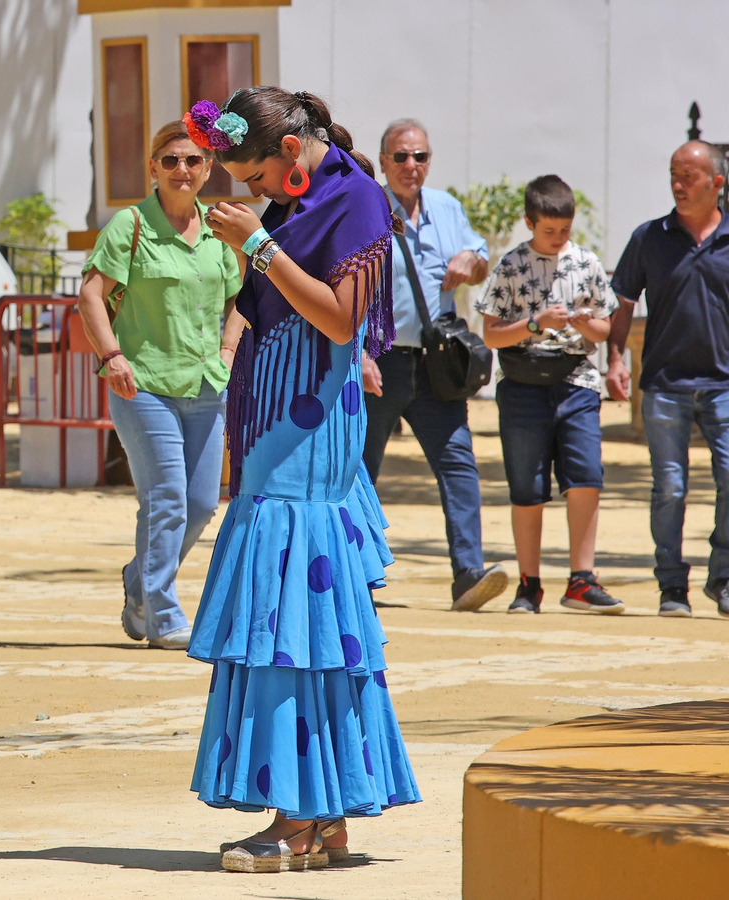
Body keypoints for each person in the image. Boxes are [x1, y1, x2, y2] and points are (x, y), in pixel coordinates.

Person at [190, 87, 421, 873]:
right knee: (287, 619)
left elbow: (337, 317)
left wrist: (258, 246)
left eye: (253, 174)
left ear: (289, 151)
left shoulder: (356, 197)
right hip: (273, 422)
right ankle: (318, 819)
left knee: (294, 618)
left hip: (309, 430)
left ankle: (299, 819)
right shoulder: (298, 201)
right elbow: (272, 307)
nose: (248, 190)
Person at [78, 120, 242, 650]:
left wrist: (228, 349)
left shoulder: (220, 229)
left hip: (206, 385)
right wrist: (112, 356)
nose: (182, 169)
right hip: (143, 384)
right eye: (170, 160)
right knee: (166, 498)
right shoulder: (130, 226)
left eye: (193, 161)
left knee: (199, 505)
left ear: (208, 168)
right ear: (153, 167)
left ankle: (138, 584)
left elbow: (243, 295)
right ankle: (164, 613)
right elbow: (90, 296)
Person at [363, 118, 507, 611]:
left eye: (420, 156)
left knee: (458, 465)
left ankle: (468, 574)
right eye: (400, 157)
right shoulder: (365, 207)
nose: (411, 166)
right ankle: (358, 577)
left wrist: (472, 258)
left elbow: (482, 260)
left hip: (435, 365)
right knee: (360, 471)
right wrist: (356, 353)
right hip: (376, 362)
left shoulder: (447, 208)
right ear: (382, 162)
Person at [475, 175, 622, 615]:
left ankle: (582, 579)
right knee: (527, 486)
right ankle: (529, 584)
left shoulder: (586, 263)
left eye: (564, 230)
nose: (558, 239)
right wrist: (537, 323)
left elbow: (604, 327)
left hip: (576, 380)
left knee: (586, 479)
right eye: (548, 231)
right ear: (528, 222)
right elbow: (492, 335)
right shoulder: (512, 265)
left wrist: (579, 323)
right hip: (523, 383)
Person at [608, 141, 729, 617]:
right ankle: (671, 586)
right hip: (663, 386)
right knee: (670, 488)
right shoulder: (649, 237)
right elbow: (622, 301)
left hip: (724, 386)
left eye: (689, 175)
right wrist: (616, 358)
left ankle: (722, 578)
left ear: (716, 183)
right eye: (674, 174)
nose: (678, 184)